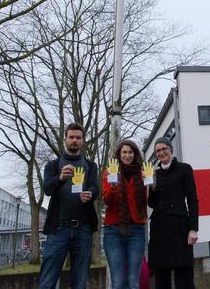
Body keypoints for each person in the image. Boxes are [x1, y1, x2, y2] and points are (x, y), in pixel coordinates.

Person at [38, 123, 99, 289]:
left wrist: (91, 194)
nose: (74, 140)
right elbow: (48, 189)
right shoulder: (52, 165)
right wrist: (60, 178)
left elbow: (95, 187)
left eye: (78, 138)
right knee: (47, 281)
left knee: (80, 282)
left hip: (83, 230)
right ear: (65, 139)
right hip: (58, 229)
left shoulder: (91, 165)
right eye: (71, 137)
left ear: (83, 141)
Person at [147, 137, 199, 289]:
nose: (161, 153)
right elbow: (151, 203)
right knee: (161, 277)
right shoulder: (154, 174)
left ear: (171, 150)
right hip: (159, 229)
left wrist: (193, 228)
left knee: (184, 276)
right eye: (158, 151)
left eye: (164, 149)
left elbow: (192, 200)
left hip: (180, 228)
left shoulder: (185, 169)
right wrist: (150, 187)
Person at [102, 139, 149, 289]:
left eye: (130, 152)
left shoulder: (142, 173)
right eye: (124, 152)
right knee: (118, 282)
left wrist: (150, 183)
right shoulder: (110, 171)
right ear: (119, 154)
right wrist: (114, 187)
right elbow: (107, 200)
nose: (127, 155)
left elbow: (146, 200)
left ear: (135, 154)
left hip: (136, 230)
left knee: (133, 282)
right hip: (113, 230)